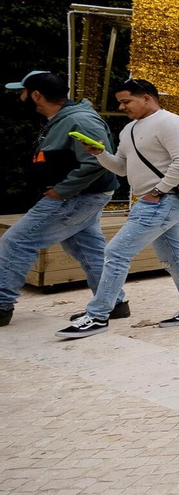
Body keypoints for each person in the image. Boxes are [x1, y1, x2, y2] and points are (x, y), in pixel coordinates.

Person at [57, 78, 179, 339]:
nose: (122, 106)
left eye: (126, 101)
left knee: (115, 253)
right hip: (155, 200)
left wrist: (157, 191)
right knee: (173, 256)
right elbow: (123, 168)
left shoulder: (170, 122)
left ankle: (97, 315)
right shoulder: (128, 131)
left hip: (164, 199)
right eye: (120, 102)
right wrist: (99, 153)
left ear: (147, 98)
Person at [0, 71, 122, 327]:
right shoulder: (62, 118)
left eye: (21, 92)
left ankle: (1, 305)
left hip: (76, 196)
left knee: (16, 242)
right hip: (82, 196)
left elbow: (96, 161)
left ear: (36, 95)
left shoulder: (79, 120)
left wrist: (63, 190)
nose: (20, 98)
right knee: (86, 248)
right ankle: (113, 303)